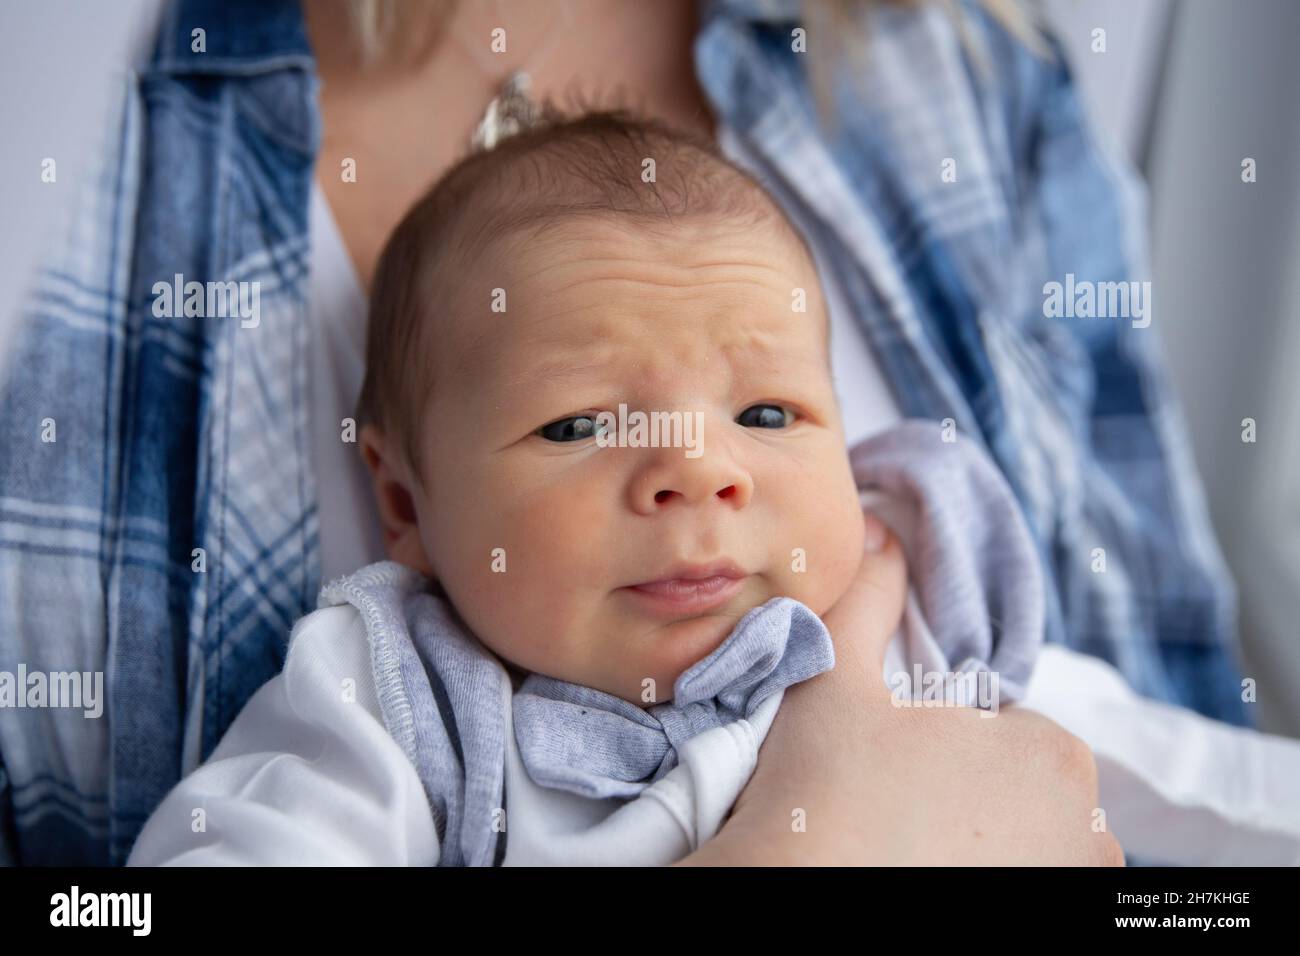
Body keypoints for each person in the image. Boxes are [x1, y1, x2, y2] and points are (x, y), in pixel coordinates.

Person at [0, 0, 1219, 866]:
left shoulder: (913, 617)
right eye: (580, 421)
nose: (700, 466)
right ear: (410, 505)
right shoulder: (399, 702)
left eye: (766, 413)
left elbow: (1169, 759)